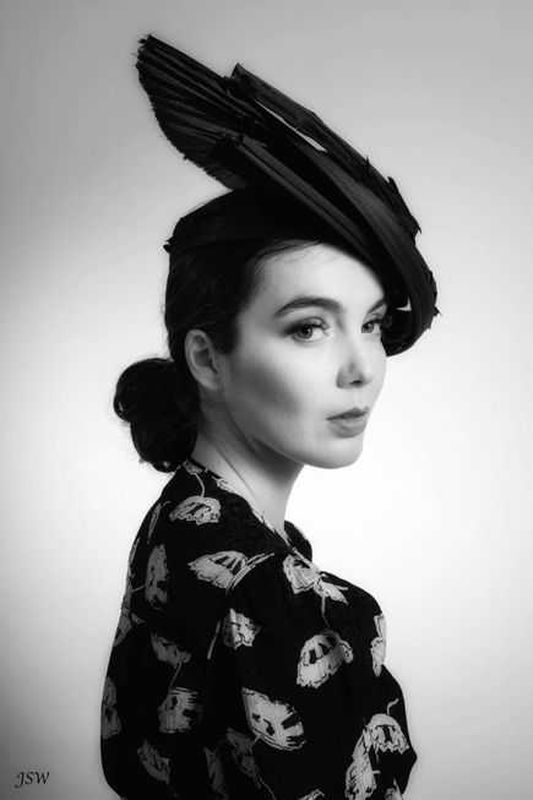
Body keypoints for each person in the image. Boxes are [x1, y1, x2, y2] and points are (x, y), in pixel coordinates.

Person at [100, 35, 439, 800]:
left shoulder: (184, 521)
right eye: (308, 327)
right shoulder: (265, 594)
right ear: (207, 357)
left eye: (371, 323)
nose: (361, 366)